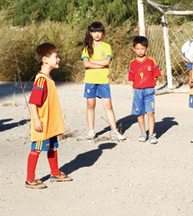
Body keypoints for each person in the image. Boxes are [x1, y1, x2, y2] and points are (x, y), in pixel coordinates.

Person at [25, 43, 72, 189]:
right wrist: (37, 120)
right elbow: (33, 102)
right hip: (42, 124)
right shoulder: (41, 80)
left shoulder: (48, 78)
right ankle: (30, 179)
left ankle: (55, 173)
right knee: (37, 148)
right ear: (45, 59)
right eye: (56, 57)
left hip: (50, 124)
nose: (58, 60)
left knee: (53, 147)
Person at [82, 22, 125, 141]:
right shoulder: (87, 48)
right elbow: (86, 64)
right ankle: (91, 131)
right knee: (91, 106)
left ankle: (114, 131)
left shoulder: (107, 47)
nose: (97, 34)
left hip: (103, 80)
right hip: (90, 80)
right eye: (94, 32)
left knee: (108, 106)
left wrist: (93, 63)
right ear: (90, 33)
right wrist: (100, 63)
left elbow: (107, 62)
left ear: (102, 33)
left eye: (99, 32)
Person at [129, 36, 161, 144]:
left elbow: (156, 74)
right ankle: (143, 133)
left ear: (147, 48)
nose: (140, 51)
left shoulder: (151, 61)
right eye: (137, 49)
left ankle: (151, 135)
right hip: (138, 91)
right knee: (140, 113)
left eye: (142, 48)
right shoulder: (132, 63)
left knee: (150, 113)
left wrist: (151, 84)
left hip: (149, 91)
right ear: (134, 49)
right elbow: (132, 78)